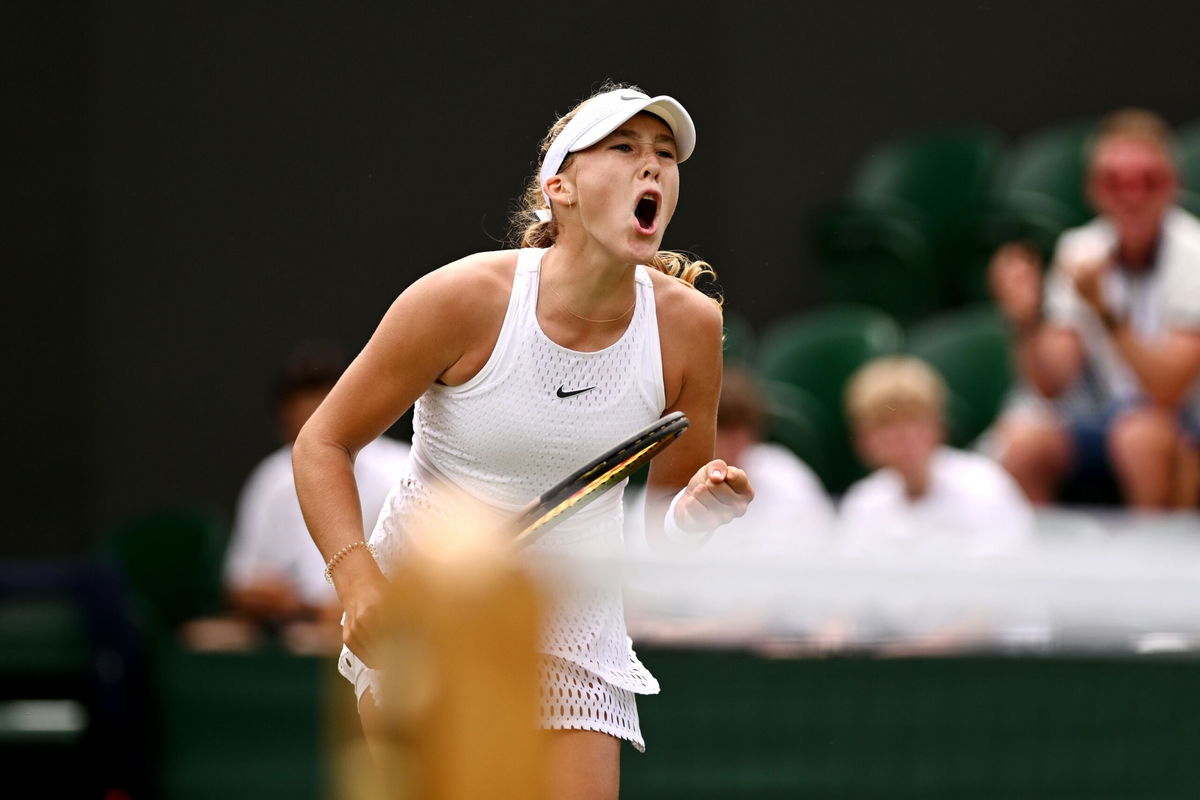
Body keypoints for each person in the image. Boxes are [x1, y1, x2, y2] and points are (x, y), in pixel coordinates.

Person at [291, 83, 754, 798]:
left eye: (665, 154)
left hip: (577, 618)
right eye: (625, 148)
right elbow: (322, 443)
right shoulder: (460, 300)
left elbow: (666, 509)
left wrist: (693, 514)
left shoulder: (689, 327)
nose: (653, 167)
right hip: (435, 603)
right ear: (560, 186)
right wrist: (357, 582)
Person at [988, 108, 1200, 508]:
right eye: (1115, 183)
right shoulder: (1079, 249)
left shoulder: (1196, 253)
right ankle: (1041, 566)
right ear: (1094, 191)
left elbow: (1167, 389)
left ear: (1173, 185)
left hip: (1183, 426)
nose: (1131, 196)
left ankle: (1149, 564)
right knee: (1022, 442)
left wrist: (1105, 313)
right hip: (1103, 420)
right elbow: (1053, 383)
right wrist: (1027, 321)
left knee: (1140, 436)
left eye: (1147, 182)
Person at [835, 356, 1037, 654]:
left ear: (938, 426)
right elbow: (846, 611)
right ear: (863, 441)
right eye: (884, 425)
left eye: (912, 421)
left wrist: (906, 656)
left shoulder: (984, 486)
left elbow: (987, 619)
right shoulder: (863, 503)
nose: (900, 438)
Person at [222, 342, 409, 648]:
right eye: (301, 421)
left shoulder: (401, 470)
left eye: (322, 414)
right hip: (290, 632)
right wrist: (274, 597)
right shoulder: (271, 478)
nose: (312, 429)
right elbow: (242, 582)